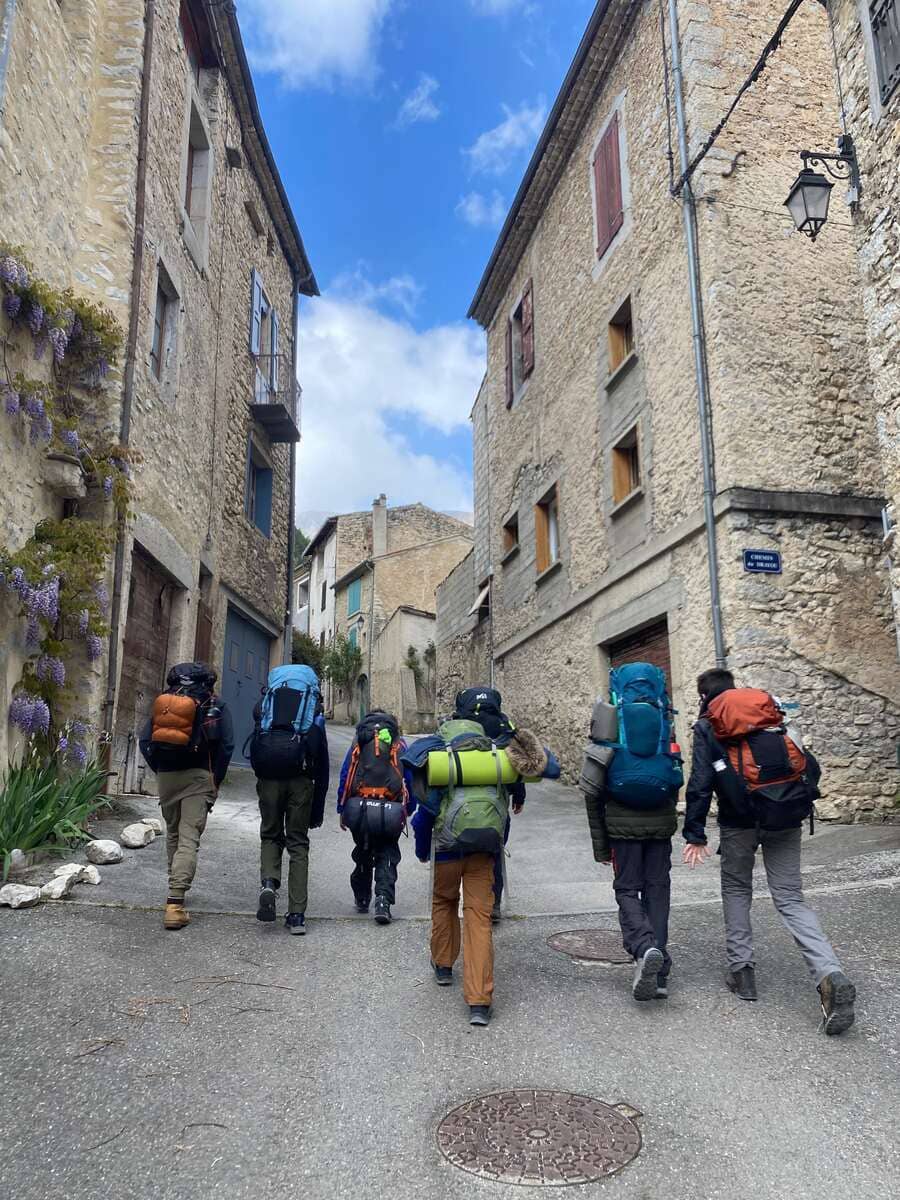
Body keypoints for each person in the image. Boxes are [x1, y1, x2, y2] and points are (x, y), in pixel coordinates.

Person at [682, 667, 856, 1035]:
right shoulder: (769, 714)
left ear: (704, 697)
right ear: (734, 688)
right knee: (790, 898)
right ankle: (829, 973)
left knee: (736, 889)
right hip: (785, 813)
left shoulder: (709, 725)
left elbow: (700, 782)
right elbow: (810, 765)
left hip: (738, 822)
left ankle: (742, 973)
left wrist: (694, 833)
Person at [406, 705, 553, 1027]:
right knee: (479, 918)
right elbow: (506, 811)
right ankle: (479, 1001)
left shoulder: (442, 763)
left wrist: (422, 852)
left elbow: (424, 817)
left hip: (447, 851)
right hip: (484, 852)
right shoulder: (495, 763)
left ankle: (444, 966)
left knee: (444, 901)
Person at [580, 663, 682, 1001]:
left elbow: (592, 791)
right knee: (658, 890)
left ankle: (643, 947)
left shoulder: (607, 719)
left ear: (616, 688)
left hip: (621, 826)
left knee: (626, 889)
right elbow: (675, 777)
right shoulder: (664, 718)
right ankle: (660, 970)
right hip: (660, 824)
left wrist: (600, 846)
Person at [139, 661, 234, 931]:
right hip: (198, 777)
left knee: (173, 833)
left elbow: (145, 741)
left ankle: (174, 891)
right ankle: (175, 903)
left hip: (167, 776)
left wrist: (160, 769)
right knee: (189, 837)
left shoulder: (166, 702)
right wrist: (215, 780)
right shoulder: (215, 704)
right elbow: (227, 745)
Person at [250, 665, 329, 936]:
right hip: (301, 781)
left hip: (269, 778)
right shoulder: (313, 712)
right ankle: (296, 915)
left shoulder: (264, 706)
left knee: (270, 835)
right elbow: (322, 764)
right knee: (297, 843)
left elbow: (257, 743)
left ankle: (269, 883)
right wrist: (317, 811)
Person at [451, 687, 525, 921]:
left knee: (459, 851)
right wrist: (519, 796)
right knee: (494, 849)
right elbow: (516, 764)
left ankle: (466, 903)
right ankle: (493, 904)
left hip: (460, 805)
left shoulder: (456, 725)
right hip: (496, 803)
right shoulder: (504, 726)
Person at [337, 710, 415, 925]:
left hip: (360, 808)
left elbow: (346, 775)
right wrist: (408, 808)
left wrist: (341, 808)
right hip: (390, 809)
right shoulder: (398, 743)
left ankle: (362, 897)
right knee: (387, 852)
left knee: (363, 849)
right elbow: (409, 776)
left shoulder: (359, 741)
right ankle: (383, 901)